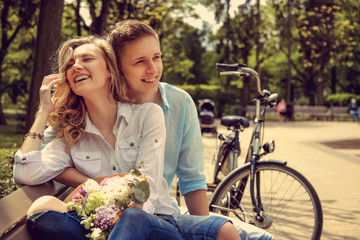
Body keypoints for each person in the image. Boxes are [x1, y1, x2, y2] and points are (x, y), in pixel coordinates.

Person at [41, 20, 272, 239]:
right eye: (140, 61)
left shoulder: (179, 103)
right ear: (116, 68)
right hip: (108, 215)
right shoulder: (89, 106)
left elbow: (191, 180)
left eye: (157, 57)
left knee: (259, 236)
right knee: (130, 218)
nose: (153, 69)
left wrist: (200, 231)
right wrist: (99, 183)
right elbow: (44, 161)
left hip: (163, 216)